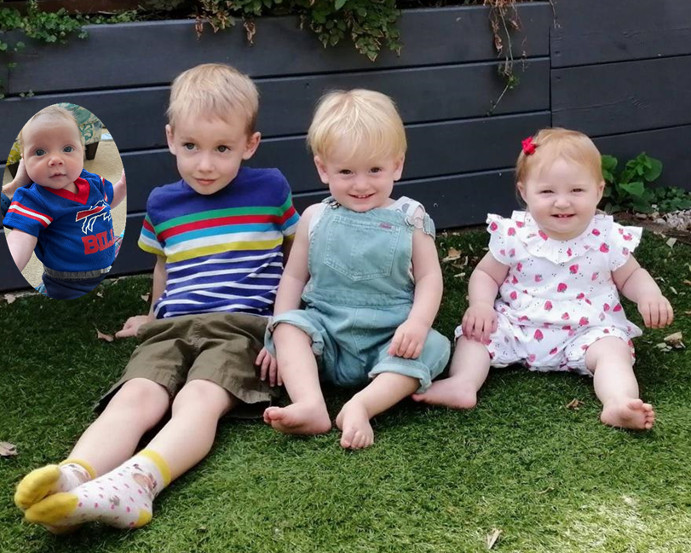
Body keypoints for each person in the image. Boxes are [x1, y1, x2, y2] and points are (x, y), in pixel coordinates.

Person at [14, 63, 299, 531]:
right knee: (137, 395)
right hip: (172, 325)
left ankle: (139, 483)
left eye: (222, 149)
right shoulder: (164, 202)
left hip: (242, 326)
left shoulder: (270, 188)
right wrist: (152, 316)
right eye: (191, 147)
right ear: (171, 139)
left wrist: (288, 329)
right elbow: (165, 264)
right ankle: (74, 477)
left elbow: (295, 258)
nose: (204, 164)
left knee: (199, 398)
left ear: (249, 145)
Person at [414, 128, 673, 430]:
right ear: (525, 192)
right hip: (517, 323)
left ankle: (618, 401)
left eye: (577, 190)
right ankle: (463, 383)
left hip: (588, 329)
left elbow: (631, 276)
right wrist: (481, 305)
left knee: (613, 351)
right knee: (476, 336)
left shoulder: (607, 237)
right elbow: (486, 274)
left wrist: (649, 295)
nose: (562, 202)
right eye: (548, 192)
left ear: (598, 190)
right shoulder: (515, 234)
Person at [263, 89, 450, 450]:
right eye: (346, 172)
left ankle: (361, 405)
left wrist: (416, 323)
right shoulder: (314, 218)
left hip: (390, 340)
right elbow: (294, 277)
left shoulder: (410, 218)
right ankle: (311, 404)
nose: (361, 184)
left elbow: (430, 278)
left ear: (397, 165)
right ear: (323, 169)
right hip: (326, 338)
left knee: (433, 346)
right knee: (288, 326)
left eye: (375, 170)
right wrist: (277, 338)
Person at [3, 105, 127, 299]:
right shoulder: (34, 199)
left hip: (108, 265)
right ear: (24, 161)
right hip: (68, 284)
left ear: (82, 151)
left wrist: (122, 185)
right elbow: (20, 239)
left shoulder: (92, 181)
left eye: (67, 149)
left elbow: (108, 202)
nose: (55, 160)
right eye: (40, 152)